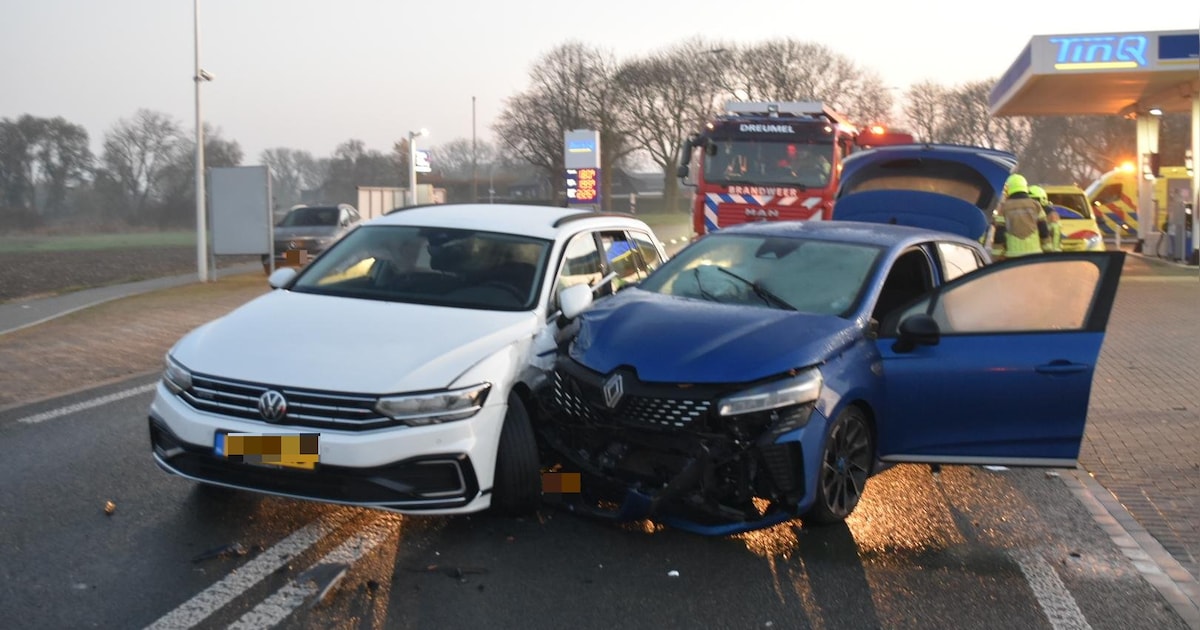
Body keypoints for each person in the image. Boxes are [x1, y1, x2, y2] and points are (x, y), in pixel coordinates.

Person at [991, 174, 1051, 260]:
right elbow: (1043, 230)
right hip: (1035, 256)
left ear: (1008, 189)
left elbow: (1000, 234)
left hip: (1013, 258)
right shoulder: (1036, 205)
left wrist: (996, 256)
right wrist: (1048, 252)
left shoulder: (1004, 208)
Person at [1028, 185, 1062, 252]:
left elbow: (1056, 236)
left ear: (1042, 200)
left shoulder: (1051, 215)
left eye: (1034, 200)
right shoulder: (1026, 213)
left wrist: (1054, 255)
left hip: (1046, 254)